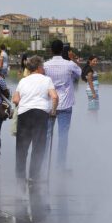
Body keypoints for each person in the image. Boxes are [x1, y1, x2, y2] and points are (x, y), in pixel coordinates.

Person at [12, 56, 58, 182]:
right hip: (40, 114)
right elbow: (54, 97)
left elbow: (15, 100)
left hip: (24, 115)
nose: (43, 69)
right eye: (42, 66)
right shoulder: (47, 80)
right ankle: (33, 176)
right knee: (38, 147)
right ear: (38, 68)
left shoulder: (23, 81)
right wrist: (53, 112)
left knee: (21, 148)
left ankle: (20, 177)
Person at [44, 40, 81, 171]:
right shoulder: (69, 64)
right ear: (62, 50)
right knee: (63, 136)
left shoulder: (45, 65)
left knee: (47, 135)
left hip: (49, 104)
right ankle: (60, 166)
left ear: (51, 50)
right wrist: (73, 59)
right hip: (65, 104)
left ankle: (44, 164)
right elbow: (80, 73)